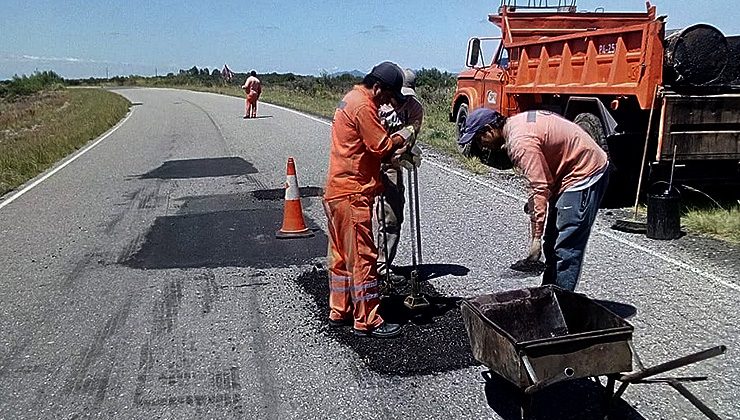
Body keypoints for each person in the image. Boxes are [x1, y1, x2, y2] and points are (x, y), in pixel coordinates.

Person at [459, 108, 609, 291]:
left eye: (479, 139)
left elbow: (538, 188)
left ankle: (562, 305)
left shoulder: (520, 143)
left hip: (585, 173)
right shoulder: (515, 125)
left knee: (566, 247)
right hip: (566, 171)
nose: (481, 146)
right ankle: (548, 294)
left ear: (489, 129)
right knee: (552, 240)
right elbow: (541, 180)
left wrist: (535, 239)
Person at [323, 61, 415, 338]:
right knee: (363, 258)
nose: (388, 102)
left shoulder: (350, 99)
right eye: (387, 96)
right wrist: (404, 136)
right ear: (377, 87)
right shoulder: (363, 107)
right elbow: (381, 147)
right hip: (353, 194)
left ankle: (340, 310)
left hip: (337, 191)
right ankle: (368, 319)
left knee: (341, 257)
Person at [374, 69, 424, 287]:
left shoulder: (414, 108)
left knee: (392, 216)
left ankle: (382, 266)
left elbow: (409, 138)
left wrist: (405, 153)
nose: (398, 99)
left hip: (392, 164)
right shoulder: (376, 104)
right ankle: (362, 266)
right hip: (368, 162)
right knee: (362, 216)